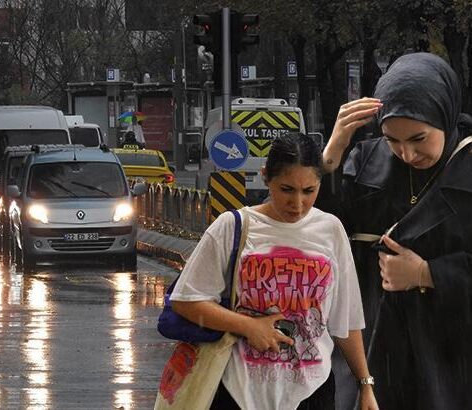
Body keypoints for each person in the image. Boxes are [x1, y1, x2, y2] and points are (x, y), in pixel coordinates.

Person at [170, 133, 378, 410]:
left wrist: (365, 385)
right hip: (238, 390)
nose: (298, 204)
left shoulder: (331, 230)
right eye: (287, 189)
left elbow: (347, 320)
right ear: (266, 177)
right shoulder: (232, 227)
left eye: (309, 191)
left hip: (312, 392)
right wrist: (248, 326)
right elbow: (186, 300)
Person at [320, 52, 472, 409]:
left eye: (419, 138)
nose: (407, 153)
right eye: (392, 139)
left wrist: (428, 273)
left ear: (446, 118)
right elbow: (313, 235)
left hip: (450, 352)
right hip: (371, 342)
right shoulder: (365, 161)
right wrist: (331, 155)